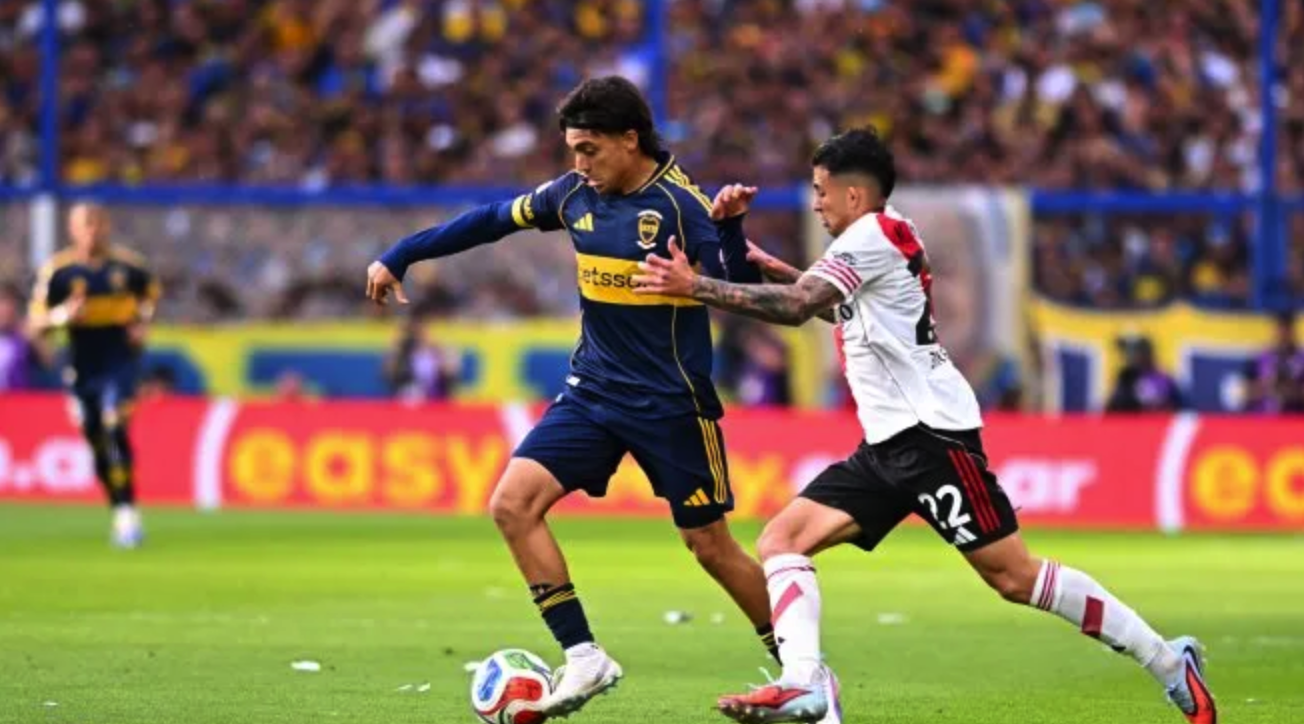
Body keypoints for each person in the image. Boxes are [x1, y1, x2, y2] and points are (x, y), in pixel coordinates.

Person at [632, 127, 1216, 724]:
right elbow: (841, 309)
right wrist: (771, 264)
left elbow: (800, 307)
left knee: (1015, 577)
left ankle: (1167, 660)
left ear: (854, 195)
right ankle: (804, 682)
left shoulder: (868, 238)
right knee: (782, 540)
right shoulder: (884, 234)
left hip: (930, 438)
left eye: (821, 191)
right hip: (887, 446)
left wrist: (693, 285)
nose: (816, 203)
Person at [365, 76, 807, 720]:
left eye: (590, 149)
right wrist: (402, 254)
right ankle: (583, 656)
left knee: (709, 545)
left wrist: (731, 230)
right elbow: (490, 221)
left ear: (630, 140)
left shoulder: (681, 205)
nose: (578, 163)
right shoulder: (572, 195)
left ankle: (801, 671)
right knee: (512, 504)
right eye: (573, 148)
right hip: (592, 392)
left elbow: (743, 290)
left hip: (671, 404)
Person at [28, 203, 161, 548]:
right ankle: (118, 507)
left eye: (98, 223)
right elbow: (35, 323)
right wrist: (63, 316)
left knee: (114, 422)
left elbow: (151, 299)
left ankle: (128, 512)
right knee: (95, 436)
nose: (93, 230)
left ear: (108, 226)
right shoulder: (59, 272)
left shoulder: (129, 267)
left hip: (120, 359)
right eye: (86, 224)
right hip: (81, 364)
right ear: (72, 229)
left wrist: (142, 324)